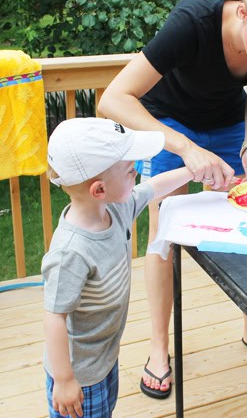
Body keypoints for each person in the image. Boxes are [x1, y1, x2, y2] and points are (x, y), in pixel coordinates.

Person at [98, 0, 247, 399]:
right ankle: (159, 350)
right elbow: (113, 98)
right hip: (168, 124)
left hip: (227, 125)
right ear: (242, 14)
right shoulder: (192, 23)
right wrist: (184, 147)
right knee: (163, 235)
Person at [42, 117, 194, 418]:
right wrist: (63, 380)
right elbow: (54, 317)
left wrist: (194, 170)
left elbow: (153, 187)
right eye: (129, 172)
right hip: (79, 376)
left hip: (104, 358)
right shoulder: (70, 252)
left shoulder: (115, 209)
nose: (136, 174)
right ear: (99, 189)